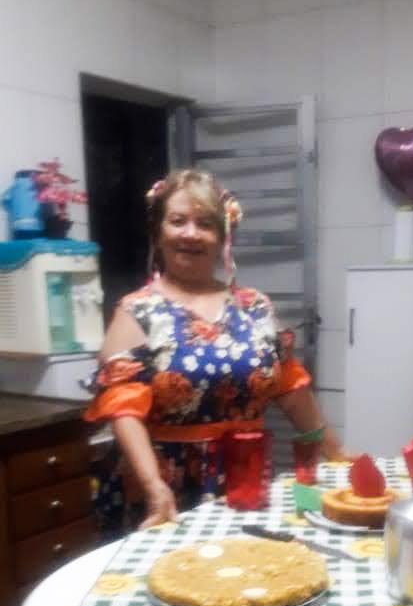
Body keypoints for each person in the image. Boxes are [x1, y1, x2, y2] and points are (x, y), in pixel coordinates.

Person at [85, 169, 349, 534]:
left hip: (248, 479)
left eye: (205, 224)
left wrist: (336, 452)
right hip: (167, 488)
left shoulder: (254, 307)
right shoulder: (138, 311)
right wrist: (153, 485)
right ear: (158, 232)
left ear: (223, 237)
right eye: (178, 221)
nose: (191, 233)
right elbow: (122, 408)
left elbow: (290, 389)